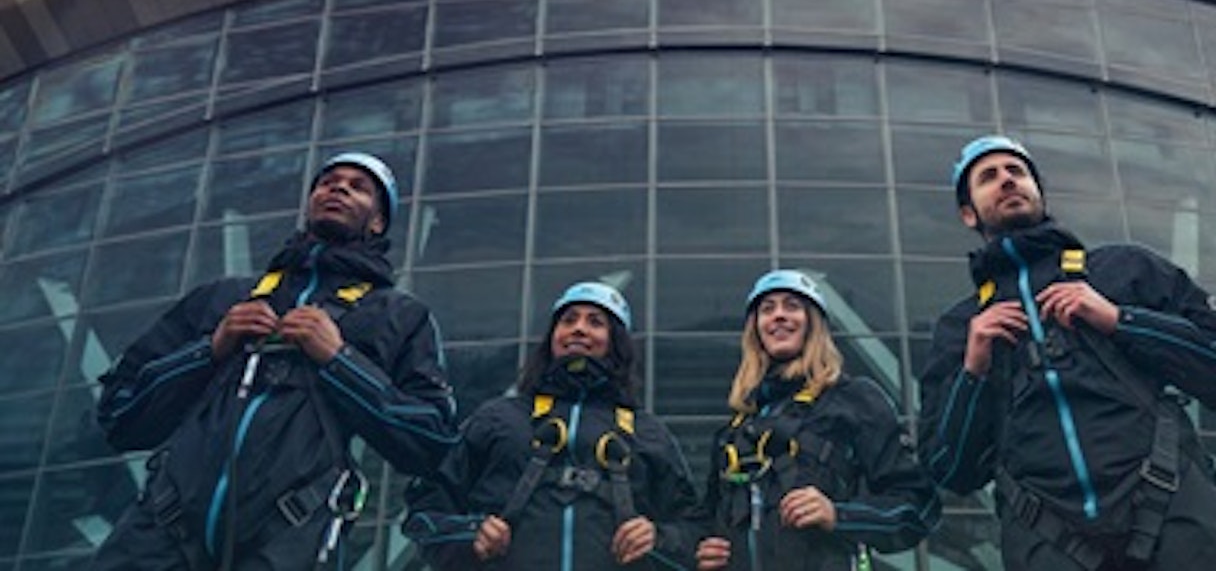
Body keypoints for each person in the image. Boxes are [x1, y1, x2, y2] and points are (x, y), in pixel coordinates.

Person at [918, 135, 1216, 570]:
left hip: (1176, 516)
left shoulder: (1124, 271)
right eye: (988, 177)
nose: (1007, 181)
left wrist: (1120, 320)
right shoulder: (961, 329)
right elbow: (947, 468)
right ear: (968, 212)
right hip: (1046, 538)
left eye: (1017, 171)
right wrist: (973, 370)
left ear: (1039, 192)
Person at [91, 151, 459, 570]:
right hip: (161, 530)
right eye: (328, 181)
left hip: (289, 539)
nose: (338, 188)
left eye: (358, 187)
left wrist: (339, 361)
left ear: (378, 222)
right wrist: (210, 349)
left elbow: (432, 443)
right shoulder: (222, 298)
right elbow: (118, 413)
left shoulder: (397, 316)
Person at [403, 281, 703, 569]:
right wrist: (470, 533)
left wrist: (658, 538)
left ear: (616, 342)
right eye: (568, 320)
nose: (579, 328)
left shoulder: (647, 433)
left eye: (595, 322)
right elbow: (426, 508)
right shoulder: (497, 419)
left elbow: (695, 531)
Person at [695, 269, 940, 571]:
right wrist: (705, 549)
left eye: (792, 306)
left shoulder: (854, 400)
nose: (779, 315)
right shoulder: (735, 430)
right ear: (755, 329)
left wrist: (839, 515)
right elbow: (704, 523)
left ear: (814, 323)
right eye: (767, 309)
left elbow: (918, 506)